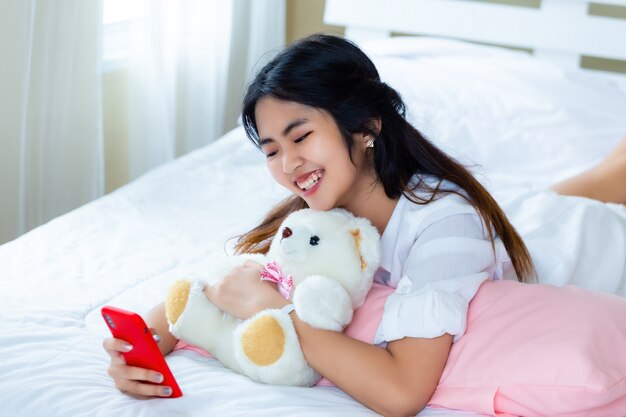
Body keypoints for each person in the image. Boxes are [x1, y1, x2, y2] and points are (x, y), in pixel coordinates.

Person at [103, 34, 626, 416]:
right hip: (477, 220)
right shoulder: (319, 213)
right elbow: (227, 281)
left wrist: (283, 311)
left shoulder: (447, 225)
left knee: (567, 206)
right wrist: (140, 347)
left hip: (567, 241)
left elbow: (402, 393)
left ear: (367, 125)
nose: (288, 165)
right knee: (535, 201)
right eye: (271, 150)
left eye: (300, 136)